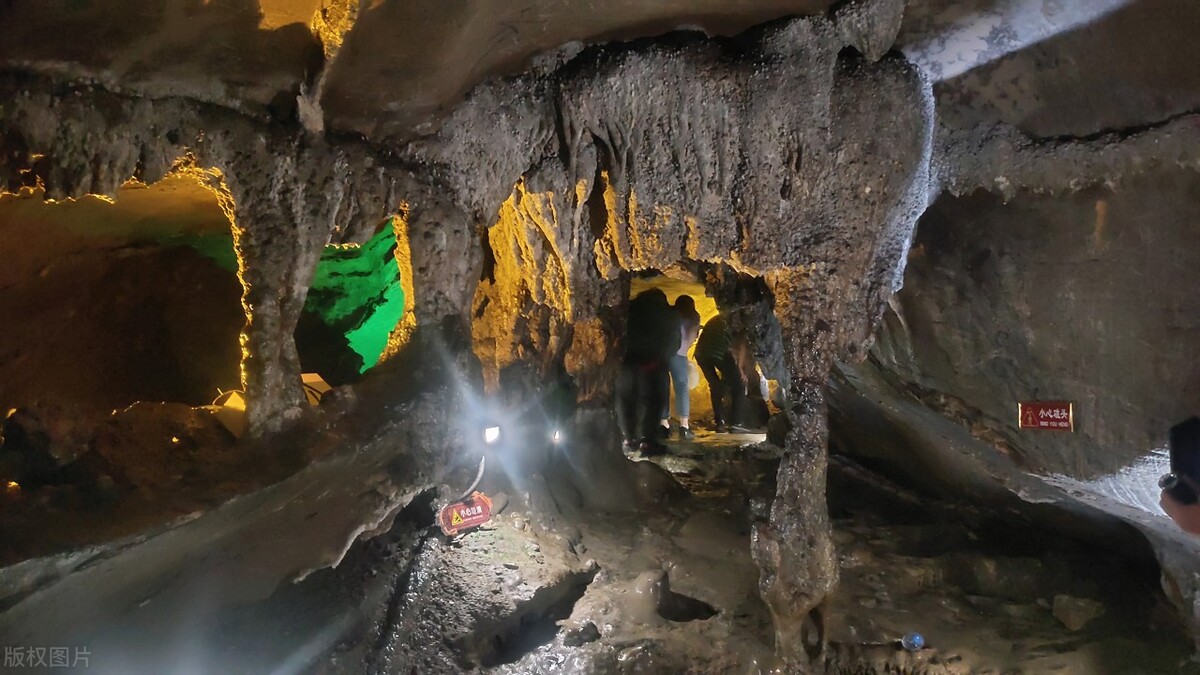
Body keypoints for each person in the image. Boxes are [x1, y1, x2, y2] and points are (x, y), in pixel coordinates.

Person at [615, 289, 680, 456]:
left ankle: (629, 439)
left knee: (626, 400)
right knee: (652, 402)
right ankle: (647, 441)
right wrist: (661, 357)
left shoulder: (629, 308)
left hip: (626, 363)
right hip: (652, 364)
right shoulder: (668, 314)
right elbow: (674, 343)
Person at [694, 314, 747, 433]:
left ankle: (720, 423)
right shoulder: (741, 319)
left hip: (700, 352)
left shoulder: (718, 318)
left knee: (715, 386)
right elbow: (742, 345)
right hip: (718, 351)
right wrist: (740, 369)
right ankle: (736, 423)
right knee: (739, 384)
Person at [659, 295, 701, 439]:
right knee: (682, 388)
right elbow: (693, 337)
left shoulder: (670, 315)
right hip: (680, 355)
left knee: (663, 387)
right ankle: (684, 426)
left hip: (663, 354)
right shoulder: (694, 317)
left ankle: (664, 424)